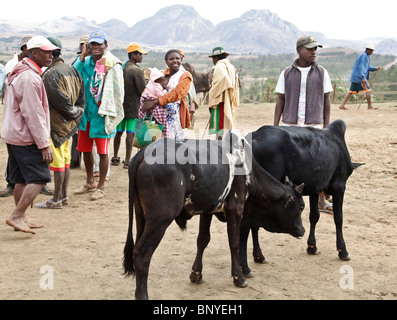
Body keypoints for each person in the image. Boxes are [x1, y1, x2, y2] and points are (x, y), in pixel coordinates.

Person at [1, 36, 60, 234]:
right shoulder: (30, 78)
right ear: (34, 53)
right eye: (47, 52)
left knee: (21, 179)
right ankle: (17, 215)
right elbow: (33, 114)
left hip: (14, 134)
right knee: (40, 177)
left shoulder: (21, 72)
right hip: (25, 137)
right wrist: (44, 144)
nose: (51, 55)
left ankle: (22, 217)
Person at [274, 35, 333, 213]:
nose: (314, 52)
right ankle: (288, 197)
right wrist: (275, 126)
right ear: (299, 50)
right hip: (291, 126)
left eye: (316, 49)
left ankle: (322, 199)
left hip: (313, 126)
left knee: (317, 164)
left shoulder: (322, 72)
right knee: (290, 164)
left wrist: (327, 128)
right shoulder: (286, 73)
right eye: (310, 48)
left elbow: (327, 99)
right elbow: (280, 99)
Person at [73, 30, 124, 200]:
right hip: (86, 114)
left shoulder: (110, 63)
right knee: (85, 150)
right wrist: (82, 57)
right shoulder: (86, 62)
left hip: (102, 114)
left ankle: (100, 186)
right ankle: (89, 181)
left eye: (99, 44)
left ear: (106, 45)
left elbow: (117, 91)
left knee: (102, 152)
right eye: (92, 44)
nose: (95, 47)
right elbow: (73, 74)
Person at [35, 37, 85, 209]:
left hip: (56, 126)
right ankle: (63, 197)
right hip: (69, 126)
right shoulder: (72, 70)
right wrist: (76, 115)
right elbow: (81, 100)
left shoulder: (50, 74)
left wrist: (72, 113)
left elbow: (61, 103)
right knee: (65, 162)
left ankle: (55, 199)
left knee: (57, 164)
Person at [142, 49, 193, 140]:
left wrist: (155, 101)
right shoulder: (161, 74)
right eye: (171, 59)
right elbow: (150, 88)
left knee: (172, 139)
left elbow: (177, 94)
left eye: (177, 58)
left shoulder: (185, 76)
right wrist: (148, 102)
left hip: (173, 112)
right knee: (155, 138)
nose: (175, 61)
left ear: (181, 60)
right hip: (157, 111)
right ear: (166, 61)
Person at [112, 43, 147, 169]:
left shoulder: (122, 66)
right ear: (133, 55)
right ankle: (127, 161)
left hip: (120, 106)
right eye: (139, 54)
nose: (141, 57)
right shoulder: (136, 70)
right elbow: (142, 90)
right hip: (132, 107)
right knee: (130, 133)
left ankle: (115, 157)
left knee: (118, 132)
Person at [208, 47, 240, 140]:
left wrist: (214, 93)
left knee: (220, 127)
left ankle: (220, 147)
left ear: (216, 58)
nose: (213, 61)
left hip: (220, 101)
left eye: (213, 58)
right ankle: (225, 144)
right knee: (226, 125)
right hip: (229, 100)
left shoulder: (219, 66)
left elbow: (224, 79)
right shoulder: (231, 66)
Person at [339, 44, 381, 110]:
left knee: (350, 91)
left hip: (355, 77)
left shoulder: (364, 55)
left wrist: (375, 69)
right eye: (371, 51)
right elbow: (361, 67)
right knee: (368, 90)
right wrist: (363, 77)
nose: (372, 52)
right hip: (359, 78)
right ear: (368, 50)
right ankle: (369, 106)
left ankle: (342, 105)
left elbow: (366, 67)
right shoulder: (364, 56)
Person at [70, 35, 90, 169]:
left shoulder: (97, 62)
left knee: (89, 135)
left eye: (87, 45)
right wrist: (82, 56)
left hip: (91, 104)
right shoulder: (79, 61)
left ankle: (92, 167)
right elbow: (73, 73)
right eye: (82, 45)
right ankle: (75, 159)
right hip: (79, 102)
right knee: (77, 133)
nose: (85, 47)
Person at [139, 67, 170, 137]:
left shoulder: (149, 84)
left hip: (146, 103)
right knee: (159, 125)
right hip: (153, 106)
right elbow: (161, 95)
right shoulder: (157, 85)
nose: (162, 82)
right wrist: (165, 90)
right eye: (161, 80)